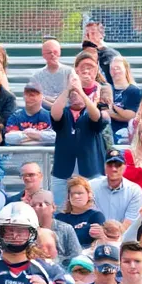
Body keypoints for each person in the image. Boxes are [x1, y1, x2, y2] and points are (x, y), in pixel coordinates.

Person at [49, 63, 107, 204]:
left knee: (93, 205)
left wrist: (81, 92)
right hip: (63, 171)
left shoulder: (90, 111)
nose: (75, 96)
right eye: (72, 95)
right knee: (60, 207)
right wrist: (68, 89)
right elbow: (54, 113)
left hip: (91, 170)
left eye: (78, 94)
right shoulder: (64, 112)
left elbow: (97, 117)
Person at [4, 82, 55, 146]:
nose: (30, 97)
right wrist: (40, 138)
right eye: (27, 94)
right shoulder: (15, 116)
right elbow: (9, 138)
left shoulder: (51, 116)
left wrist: (36, 134)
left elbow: (56, 137)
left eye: (33, 95)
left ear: (42, 96)